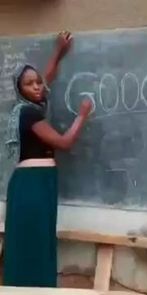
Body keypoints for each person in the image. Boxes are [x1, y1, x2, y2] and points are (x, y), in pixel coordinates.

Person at [3, 31, 92, 287]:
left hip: (40, 182)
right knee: (32, 241)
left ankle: (37, 288)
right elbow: (64, 143)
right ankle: (27, 289)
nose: (38, 86)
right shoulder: (29, 113)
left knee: (40, 240)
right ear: (20, 90)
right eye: (29, 84)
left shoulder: (33, 104)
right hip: (32, 185)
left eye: (38, 82)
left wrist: (59, 52)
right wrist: (82, 115)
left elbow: (46, 78)